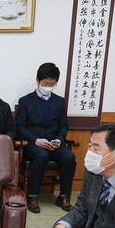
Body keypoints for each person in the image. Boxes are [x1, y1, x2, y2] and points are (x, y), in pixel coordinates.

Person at [17, 62, 76, 213]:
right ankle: (32, 195)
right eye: (45, 84)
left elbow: (64, 125)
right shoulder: (25, 101)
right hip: (34, 144)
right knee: (41, 156)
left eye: (52, 84)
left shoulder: (60, 101)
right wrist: (36, 140)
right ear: (37, 81)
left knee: (69, 157)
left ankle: (63, 196)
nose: (48, 87)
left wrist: (59, 140)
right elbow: (20, 127)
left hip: (54, 143)